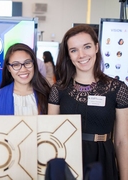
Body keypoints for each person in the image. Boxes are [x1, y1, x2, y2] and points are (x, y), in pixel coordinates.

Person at [48, 25, 128, 180]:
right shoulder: (59, 89)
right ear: (69, 55)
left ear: (96, 47)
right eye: (74, 50)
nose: (81, 55)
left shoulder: (118, 89)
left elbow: (122, 141)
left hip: (103, 159)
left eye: (87, 47)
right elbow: (52, 136)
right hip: (68, 159)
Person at [0, 43, 50, 115]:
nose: (23, 69)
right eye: (16, 65)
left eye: (27, 63)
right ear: (9, 68)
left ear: (34, 64)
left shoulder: (47, 94)